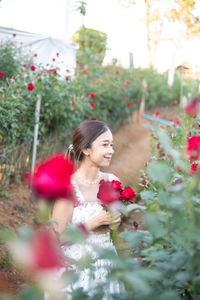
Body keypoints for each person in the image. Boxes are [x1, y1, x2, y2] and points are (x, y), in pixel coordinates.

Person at [51, 120, 126, 299]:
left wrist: (115, 220)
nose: (111, 151)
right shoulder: (69, 187)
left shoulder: (112, 181)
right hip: (77, 266)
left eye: (112, 145)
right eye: (105, 145)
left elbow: (115, 228)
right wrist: (94, 223)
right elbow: (58, 237)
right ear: (86, 149)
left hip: (105, 263)